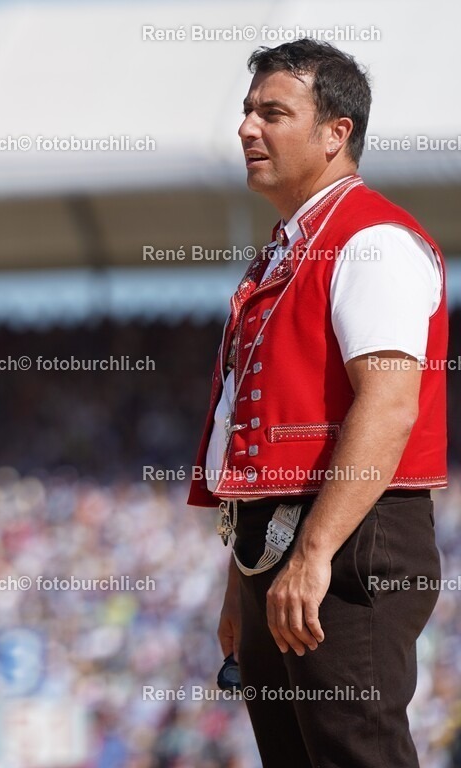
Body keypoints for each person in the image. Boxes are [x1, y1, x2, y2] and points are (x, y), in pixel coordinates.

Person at [187, 39, 446, 767]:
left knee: (355, 752)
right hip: (288, 542)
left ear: (337, 133)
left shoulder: (371, 241)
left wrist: (316, 551)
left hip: (350, 535)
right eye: (247, 112)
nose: (247, 128)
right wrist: (242, 581)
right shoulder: (289, 249)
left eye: (273, 112)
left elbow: (389, 407)